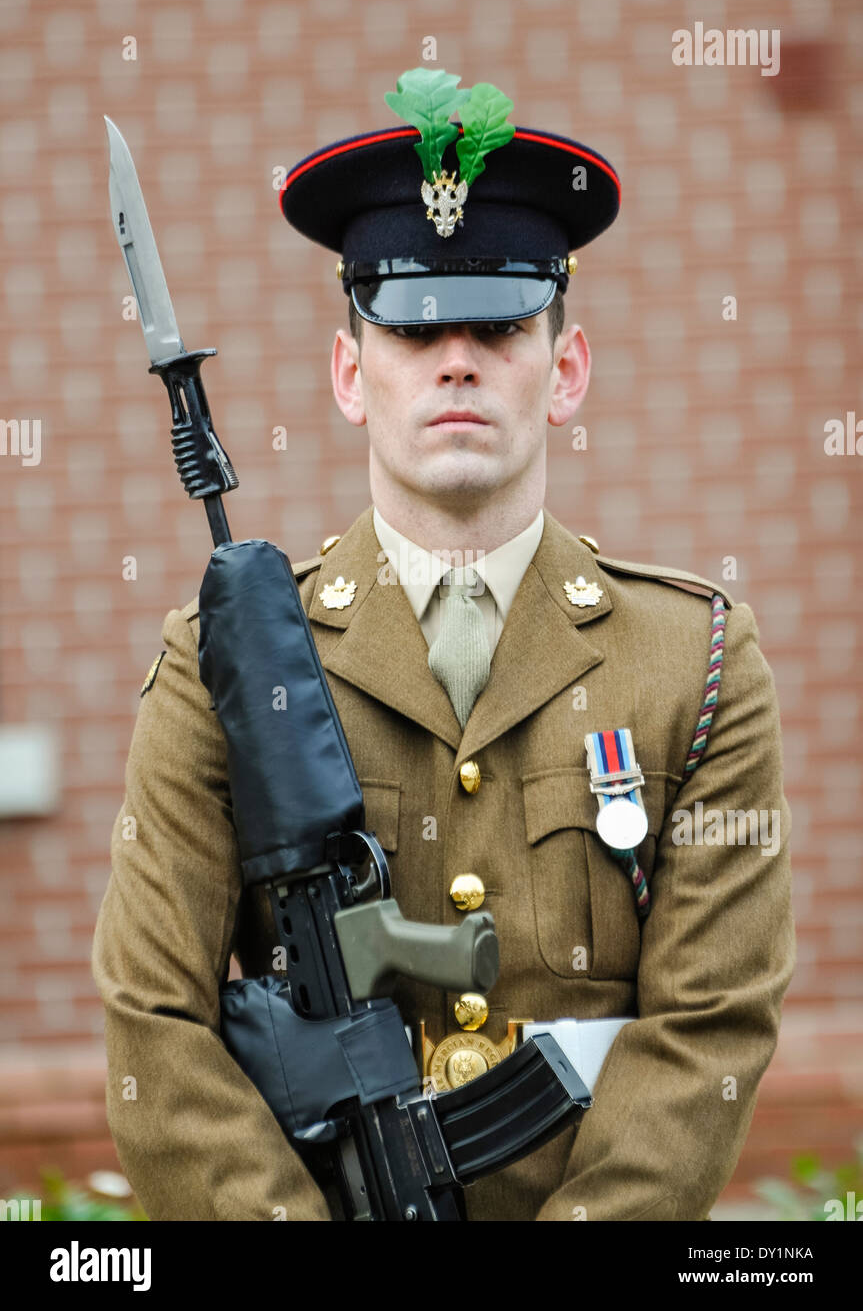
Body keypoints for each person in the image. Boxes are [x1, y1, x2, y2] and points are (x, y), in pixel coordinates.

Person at [92, 69, 795, 1221]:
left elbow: (707, 1025)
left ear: (564, 371)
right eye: (412, 327)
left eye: (500, 325)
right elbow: (152, 1020)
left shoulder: (696, 658)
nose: (455, 360)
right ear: (348, 374)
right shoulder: (225, 659)